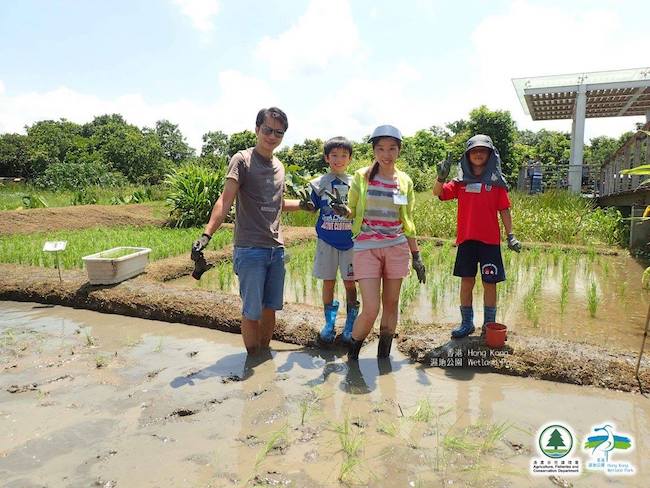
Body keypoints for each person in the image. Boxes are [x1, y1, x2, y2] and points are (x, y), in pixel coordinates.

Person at [192, 107, 307, 355]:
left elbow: (278, 203)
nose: (272, 136)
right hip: (250, 249)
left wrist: (306, 205)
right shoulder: (242, 160)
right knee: (251, 311)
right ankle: (252, 359)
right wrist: (207, 233)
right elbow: (225, 199)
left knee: (270, 310)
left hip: (276, 249)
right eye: (267, 130)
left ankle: (263, 358)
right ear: (257, 129)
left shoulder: (280, 166)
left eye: (279, 132)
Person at [337, 125, 426, 360]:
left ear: (399, 150)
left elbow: (408, 219)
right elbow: (352, 211)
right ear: (374, 151)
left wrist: (416, 255)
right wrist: (343, 210)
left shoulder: (404, 181)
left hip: (397, 247)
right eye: (381, 149)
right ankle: (352, 357)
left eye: (392, 149)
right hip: (366, 247)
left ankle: (383, 360)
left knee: (391, 303)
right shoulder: (361, 176)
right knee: (371, 308)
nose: (386, 154)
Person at [433, 134, 522, 339]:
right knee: (467, 281)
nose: (478, 154)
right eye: (474, 151)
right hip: (467, 241)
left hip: (490, 242)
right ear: (467, 156)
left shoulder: (497, 183)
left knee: (489, 283)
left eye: (483, 151)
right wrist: (441, 177)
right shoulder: (460, 182)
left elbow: (505, 210)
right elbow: (438, 194)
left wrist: (511, 235)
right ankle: (466, 323)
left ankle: (489, 324)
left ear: (490, 155)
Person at [308, 137, 359, 344]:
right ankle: (329, 323)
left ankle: (351, 322)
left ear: (350, 159)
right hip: (326, 240)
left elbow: (360, 211)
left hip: (350, 242)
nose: (339, 160)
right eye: (334, 155)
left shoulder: (356, 183)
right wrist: (307, 203)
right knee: (328, 282)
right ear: (326, 158)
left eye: (344, 155)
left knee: (350, 283)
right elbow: (311, 206)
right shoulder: (318, 183)